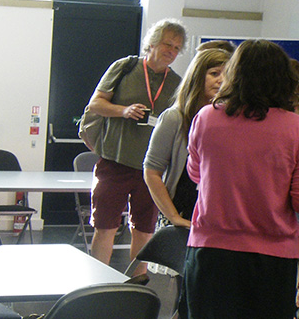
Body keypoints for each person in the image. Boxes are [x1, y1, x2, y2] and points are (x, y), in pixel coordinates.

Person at [184, 39, 299, 319]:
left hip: (210, 250)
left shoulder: (206, 117)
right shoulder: (294, 127)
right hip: (272, 256)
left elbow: (195, 173)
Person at [86, 18, 185, 269]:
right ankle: (97, 283)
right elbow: (95, 104)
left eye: (176, 48)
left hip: (152, 171)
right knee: (105, 227)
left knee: (144, 230)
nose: (171, 52)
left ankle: (137, 285)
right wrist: (124, 110)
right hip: (114, 161)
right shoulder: (125, 68)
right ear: (151, 43)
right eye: (167, 44)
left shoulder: (177, 83)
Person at [144, 48, 229, 228]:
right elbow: (151, 172)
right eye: (214, 74)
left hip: (216, 215)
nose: (221, 80)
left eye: (227, 75)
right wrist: (174, 217)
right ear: (197, 76)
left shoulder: (230, 120)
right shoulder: (174, 117)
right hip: (182, 212)